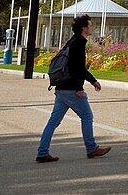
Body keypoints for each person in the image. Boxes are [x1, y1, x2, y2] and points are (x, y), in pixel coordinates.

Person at [36, 14, 111, 162]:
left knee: (53, 121)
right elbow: (78, 69)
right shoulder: (79, 43)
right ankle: (92, 148)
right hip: (71, 88)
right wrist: (81, 87)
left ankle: (42, 152)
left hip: (61, 87)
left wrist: (91, 81)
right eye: (90, 25)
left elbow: (74, 67)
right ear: (84, 28)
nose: (92, 28)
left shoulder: (72, 42)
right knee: (87, 116)